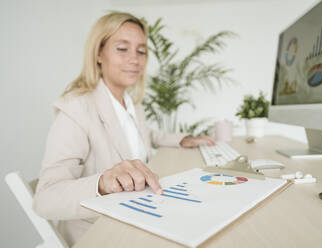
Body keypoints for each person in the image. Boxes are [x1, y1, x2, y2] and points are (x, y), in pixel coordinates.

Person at [33, 11, 215, 246]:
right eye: (122, 49)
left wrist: (182, 139)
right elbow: (45, 198)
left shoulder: (130, 103)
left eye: (141, 51)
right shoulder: (76, 108)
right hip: (100, 232)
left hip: (138, 214)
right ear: (99, 53)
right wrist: (102, 183)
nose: (135, 60)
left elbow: (146, 136)